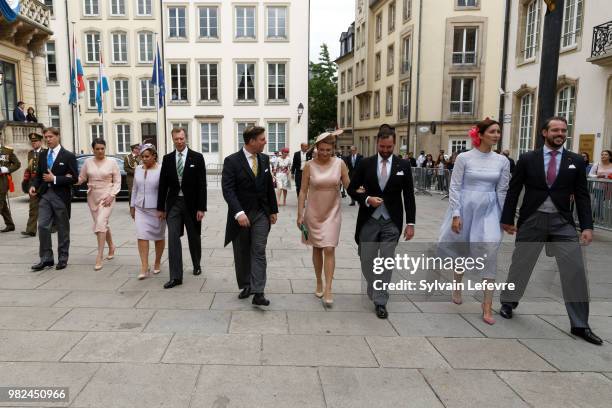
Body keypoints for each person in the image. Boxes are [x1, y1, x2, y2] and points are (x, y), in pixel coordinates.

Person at [499, 117, 601, 345]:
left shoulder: (574, 160)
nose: (560, 133)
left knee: (575, 269)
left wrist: (587, 226)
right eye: (555, 129)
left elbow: (582, 196)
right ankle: (509, 302)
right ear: (544, 132)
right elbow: (513, 191)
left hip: (562, 222)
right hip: (532, 219)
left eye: (563, 130)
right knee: (521, 264)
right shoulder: (528, 159)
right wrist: (507, 219)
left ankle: (580, 324)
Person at [438, 119, 510, 325]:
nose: (496, 135)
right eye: (492, 131)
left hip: (489, 210)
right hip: (465, 206)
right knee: (462, 249)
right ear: (480, 134)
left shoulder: (502, 161)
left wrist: (506, 218)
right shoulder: (464, 157)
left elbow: (502, 190)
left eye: (498, 132)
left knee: (491, 251)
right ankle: (457, 285)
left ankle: (487, 305)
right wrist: (456, 214)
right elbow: (455, 187)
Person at [348, 124, 416, 319]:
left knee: (386, 260)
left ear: (394, 145)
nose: (385, 151)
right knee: (366, 259)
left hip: (391, 221)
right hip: (369, 219)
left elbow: (409, 196)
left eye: (389, 147)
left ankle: (380, 301)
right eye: (382, 147)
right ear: (377, 143)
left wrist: (410, 223)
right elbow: (353, 188)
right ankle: (372, 282)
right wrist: (367, 199)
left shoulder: (403, 166)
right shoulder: (365, 164)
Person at [222, 126, 278, 306]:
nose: (265, 142)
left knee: (259, 250)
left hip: (261, 213)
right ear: (252, 141)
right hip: (241, 215)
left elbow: (269, 185)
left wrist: (273, 210)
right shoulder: (232, 161)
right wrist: (238, 213)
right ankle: (246, 284)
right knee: (242, 252)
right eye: (262, 139)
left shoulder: (264, 158)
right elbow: (228, 190)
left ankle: (258, 292)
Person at [298, 131, 350, 306]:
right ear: (316, 149)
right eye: (322, 149)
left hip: (332, 212)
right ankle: (319, 281)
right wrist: (300, 214)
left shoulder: (340, 164)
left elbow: (350, 184)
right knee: (317, 248)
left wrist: (364, 193)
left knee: (329, 248)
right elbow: (303, 190)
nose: (325, 153)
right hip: (313, 211)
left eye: (328, 150)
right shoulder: (309, 166)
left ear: (333, 149)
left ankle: (328, 287)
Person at [157, 128, 207, 288]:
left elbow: (202, 185)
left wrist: (201, 208)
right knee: (173, 238)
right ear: (172, 139)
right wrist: (160, 208)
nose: (179, 141)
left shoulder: (197, 158)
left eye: (182, 138)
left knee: (194, 237)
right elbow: (163, 185)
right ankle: (176, 276)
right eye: (176, 139)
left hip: (192, 205)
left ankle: (196, 263)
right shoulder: (167, 159)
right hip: (173, 204)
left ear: (186, 138)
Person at [30, 127, 77, 271]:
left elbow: (74, 178)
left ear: (58, 136)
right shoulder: (43, 155)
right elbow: (38, 175)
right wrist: (33, 186)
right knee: (43, 226)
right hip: (44, 195)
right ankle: (46, 258)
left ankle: (63, 257)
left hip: (60, 196)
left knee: (62, 228)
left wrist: (55, 178)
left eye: (50, 136)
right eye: (46, 137)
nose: (48, 139)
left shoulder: (68, 155)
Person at [76, 138, 121, 271]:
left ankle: (99, 256)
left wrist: (112, 195)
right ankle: (111, 246)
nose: (100, 151)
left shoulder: (112, 162)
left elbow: (118, 181)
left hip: (107, 195)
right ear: (93, 149)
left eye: (102, 148)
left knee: (100, 223)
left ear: (105, 148)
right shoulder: (87, 162)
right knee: (102, 224)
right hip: (92, 196)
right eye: (97, 149)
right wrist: (68, 179)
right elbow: (81, 178)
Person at [130, 144, 165, 280]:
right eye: (142, 157)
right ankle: (144, 266)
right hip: (140, 208)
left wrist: (163, 208)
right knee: (141, 236)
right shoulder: (138, 169)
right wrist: (132, 206)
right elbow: (134, 188)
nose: (143, 159)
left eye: (146, 157)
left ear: (154, 156)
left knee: (159, 237)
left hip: (157, 209)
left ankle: (157, 261)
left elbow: (164, 190)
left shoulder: (162, 169)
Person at [21, 133, 45, 237]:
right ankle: (31, 230)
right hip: (33, 183)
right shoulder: (30, 153)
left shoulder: (46, 152)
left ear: (40, 142)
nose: (34, 143)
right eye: (32, 141)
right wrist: (27, 175)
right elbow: (30, 167)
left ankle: (53, 225)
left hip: (43, 182)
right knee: (33, 207)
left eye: (35, 141)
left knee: (47, 206)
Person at [0, 138, 21, 233]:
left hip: (3, 181)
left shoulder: (7, 151)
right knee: (3, 204)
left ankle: (10, 224)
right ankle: (10, 224)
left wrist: (7, 169)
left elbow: (17, 164)